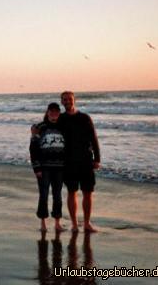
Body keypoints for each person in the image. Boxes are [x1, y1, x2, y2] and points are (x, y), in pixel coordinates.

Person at [59, 91, 101, 233]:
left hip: (86, 160)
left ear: (74, 100)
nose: (67, 102)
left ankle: (87, 223)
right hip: (68, 162)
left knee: (87, 192)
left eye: (69, 99)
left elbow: (94, 139)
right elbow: (47, 126)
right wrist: (35, 131)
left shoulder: (84, 118)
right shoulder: (60, 119)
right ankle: (75, 224)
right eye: (64, 100)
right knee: (72, 192)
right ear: (61, 102)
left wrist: (97, 159)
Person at [29, 102, 65, 232]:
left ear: (59, 113)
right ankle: (43, 223)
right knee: (43, 195)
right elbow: (33, 149)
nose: (54, 113)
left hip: (60, 168)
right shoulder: (39, 127)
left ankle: (57, 222)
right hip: (44, 168)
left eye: (56, 111)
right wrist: (36, 168)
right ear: (47, 112)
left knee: (58, 195)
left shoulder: (63, 127)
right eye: (51, 111)